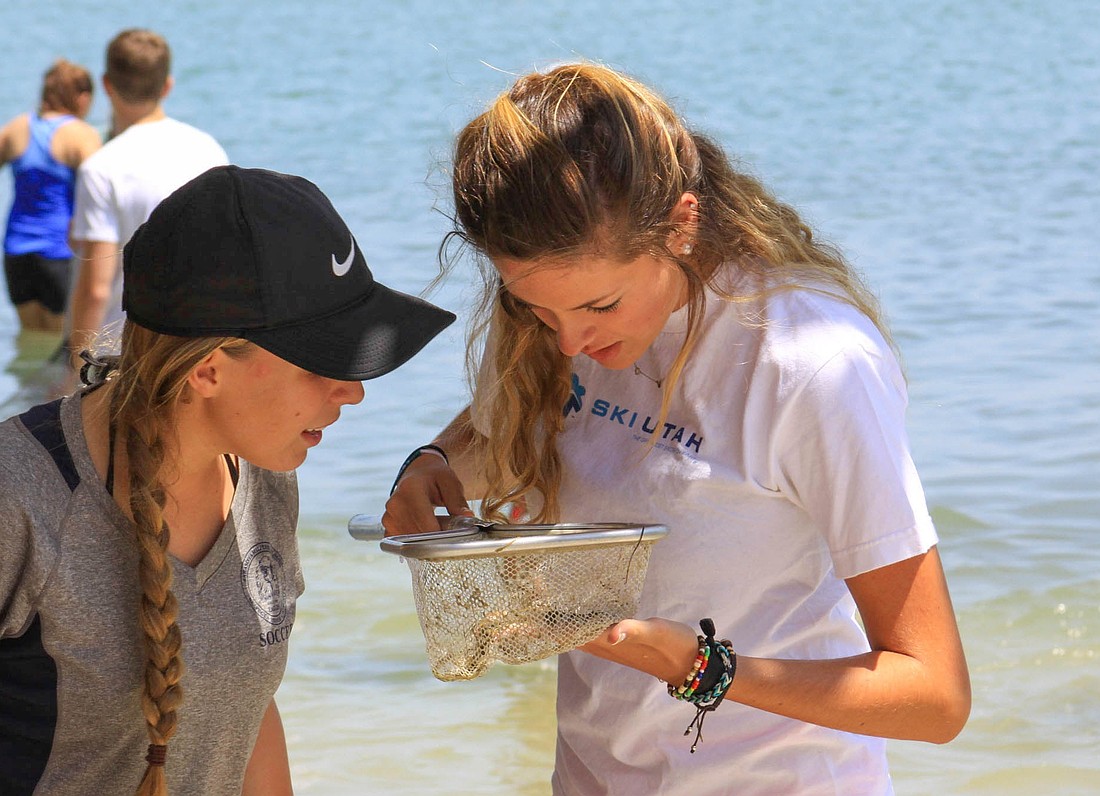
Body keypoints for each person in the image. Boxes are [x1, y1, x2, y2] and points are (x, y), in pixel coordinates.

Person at [382, 63, 971, 795]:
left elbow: (934, 695)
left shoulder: (812, 365)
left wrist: (701, 668)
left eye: (598, 305)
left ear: (681, 224)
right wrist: (434, 462)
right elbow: (530, 406)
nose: (568, 343)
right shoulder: (572, 330)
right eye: (537, 308)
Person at [0, 165, 455, 795]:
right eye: (324, 361)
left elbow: (245, 708)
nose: (352, 392)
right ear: (209, 369)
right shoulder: (19, 495)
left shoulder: (264, 477)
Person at [65, 28, 228, 371]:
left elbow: (96, 289)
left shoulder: (102, 168)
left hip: (122, 354)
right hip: (194, 349)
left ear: (107, 85)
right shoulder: (208, 151)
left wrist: (76, 368)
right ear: (167, 85)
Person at [1, 59, 101, 333]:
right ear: (82, 98)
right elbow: (103, 191)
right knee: (63, 344)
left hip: (16, 250)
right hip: (58, 253)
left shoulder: (15, 129)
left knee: (32, 337)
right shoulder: (81, 135)